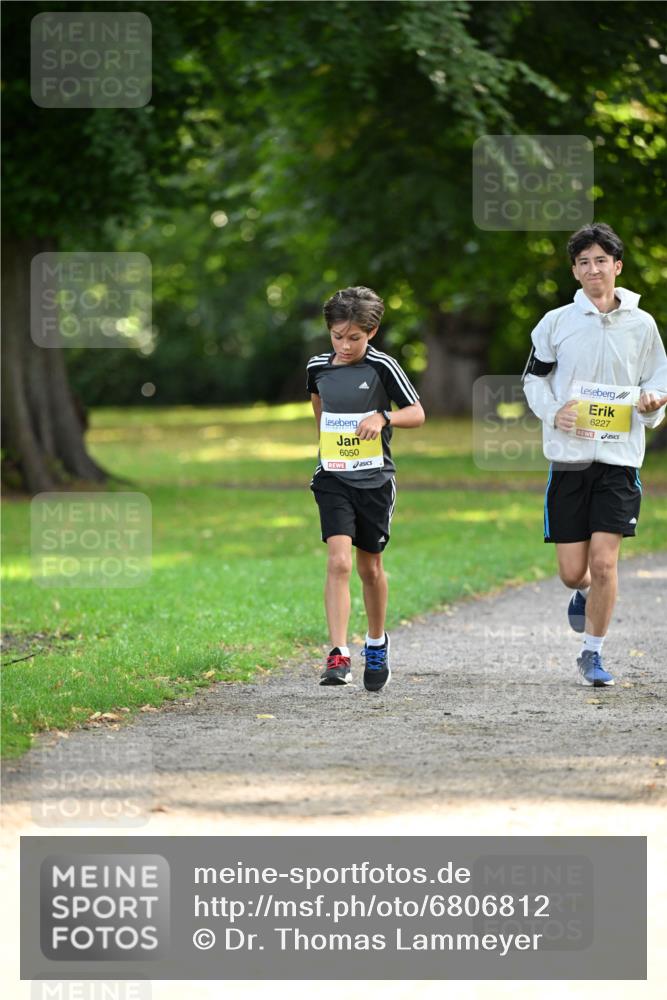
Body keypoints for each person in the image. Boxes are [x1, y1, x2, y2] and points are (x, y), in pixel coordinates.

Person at [523, 222, 667, 687]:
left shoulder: (642, 325)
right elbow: (533, 380)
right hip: (569, 458)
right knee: (573, 573)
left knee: (605, 563)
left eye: (601, 260)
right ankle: (581, 592)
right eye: (583, 262)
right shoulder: (555, 323)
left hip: (620, 461)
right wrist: (553, 412)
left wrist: (650, 406)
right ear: (575, 271)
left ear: (617, 266)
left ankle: (592, 652)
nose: (593, 269)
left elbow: (657, 383)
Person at [306, 286, 425, 691]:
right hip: (334, 476)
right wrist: (329, 448)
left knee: (368, 566)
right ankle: (338, 652)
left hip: (375, 481)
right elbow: (318, 408)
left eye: (354, 338)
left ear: (371, 333)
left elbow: (418, 413)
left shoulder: (383, 366)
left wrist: (383, 417)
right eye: (337, 336)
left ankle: (376, 642)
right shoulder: (317, 367)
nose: (344, 345)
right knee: (338, 561)